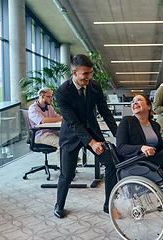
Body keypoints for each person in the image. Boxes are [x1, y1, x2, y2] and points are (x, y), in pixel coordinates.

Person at [54, 54, 118, 218]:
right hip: (71, 136)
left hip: (93, 133)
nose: (89, 77)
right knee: (67, 174)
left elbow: (105, 113)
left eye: (90, 73)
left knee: (111, 163)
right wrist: (91, 142)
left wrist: (119, 135)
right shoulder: (62, 92)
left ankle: (108, 204)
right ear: (74, 73)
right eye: (85, 74)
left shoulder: (95, 86)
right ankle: (59, 206)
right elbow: (73, 123)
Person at [28, 87, 63, 160]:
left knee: (70, 138)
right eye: (49, 97)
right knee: (61, 144)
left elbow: (56, 116)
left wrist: (63, 118)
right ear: (42, 96)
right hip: (41, 135)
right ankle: (65, 170)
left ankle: (71, 163)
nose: (51, 99)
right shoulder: (33, 108)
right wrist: (59, 118)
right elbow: (43, 121)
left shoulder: (49, 107)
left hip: (52, 132)